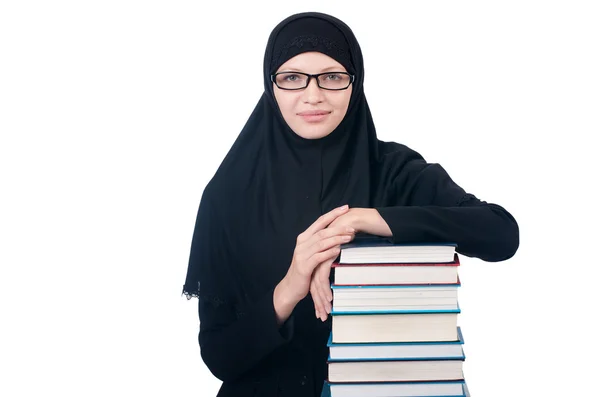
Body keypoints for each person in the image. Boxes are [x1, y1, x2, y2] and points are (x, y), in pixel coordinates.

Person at [182, 11, 519, 397]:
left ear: (354, 83)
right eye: (292, 78)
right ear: (270, 86)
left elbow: (501, 234)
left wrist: (364, 221)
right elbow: (219, 357)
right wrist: (291, 287)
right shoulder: (230, 194)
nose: (313, 95)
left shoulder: (394, 171)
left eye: (332, 77)